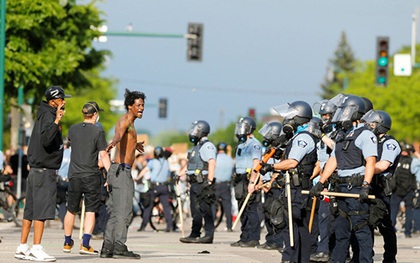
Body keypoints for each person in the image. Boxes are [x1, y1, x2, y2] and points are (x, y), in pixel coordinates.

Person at [310, 94, 377, 263]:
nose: (342, 115)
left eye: (345, 112)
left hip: (356, 188)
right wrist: (321, 182)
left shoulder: (366, 135)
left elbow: (371, 161)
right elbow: (333, 160)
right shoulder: (340, 135)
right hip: (341, 189)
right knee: (340, 231)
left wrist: (366, 185)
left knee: (361, 231)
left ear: (355, 113)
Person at [14, 85, 71, 262]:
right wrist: (57, 121)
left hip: (36, 170)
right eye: (62, 99)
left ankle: (22, 247)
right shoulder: (49, 115)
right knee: (41, 210)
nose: (64, 102)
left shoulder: (42, 113)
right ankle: (36, 248)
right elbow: (47, 140)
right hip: (44, 171)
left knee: (30, 210)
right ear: (54, 101)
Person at [261, 101, 318, 263]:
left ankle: (295, 257)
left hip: (299, 187)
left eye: (290, 117)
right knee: (297, 225)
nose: (287, 121)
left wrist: (271, 166)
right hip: (294, 186)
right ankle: (297, 258)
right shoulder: (296, 137)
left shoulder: (303, 138)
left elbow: (292, 162)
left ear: (299, 118)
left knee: (294, 223)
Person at [100, 89, 146, 260]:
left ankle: (107, 247)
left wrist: (135, 145)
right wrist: (114, 142)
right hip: (121, 171)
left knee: (115, 211)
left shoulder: (132, 124)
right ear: (129, 106)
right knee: (125, 212)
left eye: (142, 105)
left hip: (117, 171)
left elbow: (125, 138)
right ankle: (119, 246)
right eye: (138, 105)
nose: (141, 108)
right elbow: (119, 133)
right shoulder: (125, 120)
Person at [63, 101, 111, 255]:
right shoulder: (98, 132)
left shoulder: (73, 129)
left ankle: (67, 242)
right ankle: (85, 244)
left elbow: (71, 143)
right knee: (90, 210)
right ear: (95, 114)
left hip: (74, 175)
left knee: (71, 210)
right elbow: (103, 154)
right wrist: (110, 175)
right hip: (91, 175)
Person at [361, 109, 401, 263]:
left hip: (382, 189)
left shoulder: (390, 143)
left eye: (372, 124)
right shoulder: (371, 140)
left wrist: (366, 171)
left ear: (381, 125)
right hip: (368, 185)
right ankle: (366, 255)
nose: (369, 126)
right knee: (365, 223)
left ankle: (390, 258)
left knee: (385, 225)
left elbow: (384, 165)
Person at [179, 120, 217, 244]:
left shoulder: (207, 146)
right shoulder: (196, 146)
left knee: (205, 209)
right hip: (194, 183)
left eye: (195, 130)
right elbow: (191, 164)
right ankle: (195, 233)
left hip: (203, 182)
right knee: (195, 210)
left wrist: (209, 182)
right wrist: (180, 174)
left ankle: (209, 235)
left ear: (201, 131)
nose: (193, 132)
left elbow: (211, 162)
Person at [230, 116, 263, 248]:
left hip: (249, 178)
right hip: (239, 179)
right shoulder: (241, 145)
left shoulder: (254, 144)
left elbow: (256, 164)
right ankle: (244, 237)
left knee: (251, 209)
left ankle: (253, 238)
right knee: (242, 209)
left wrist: (252, 182)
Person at [257, 121, 286, 251]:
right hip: (267, 185)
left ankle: (278, 241)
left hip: (276, 186)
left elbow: (279, 169)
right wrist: (261, 182)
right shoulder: (270, 150)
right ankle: (270, 239)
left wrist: (270, 182)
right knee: (267, 213)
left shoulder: (282, 149)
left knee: (277, 214)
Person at [137, 146, 173, 232]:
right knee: (166, 207)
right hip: (164, 186)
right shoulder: (166, 162)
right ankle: (170, 226)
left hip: (155, 187)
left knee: (148, 206)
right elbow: (168, 174)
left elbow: (145, 170)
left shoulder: (153, 162)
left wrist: (138, 178)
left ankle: (143, 226)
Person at [390, 142, 420, 238]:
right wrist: (415, 152)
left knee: (393, 210)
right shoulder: (413, 161)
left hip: (396, 189)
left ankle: (391, 229)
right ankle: (407, 232)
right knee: (409, 211)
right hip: (409, 190)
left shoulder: (396, 160)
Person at [214, 142, 235, 232]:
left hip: (215, 184)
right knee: (227, 206)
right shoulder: (229, 159)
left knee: (213, 205)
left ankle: (211, 224)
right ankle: (229, 226)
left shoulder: (215, 158)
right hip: (226, 185)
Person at [57, 140, 71, 226]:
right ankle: (69, 221)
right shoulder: (73, 154)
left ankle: (63, 220)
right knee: (70, 201)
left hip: (61, 180)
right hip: (70, 180)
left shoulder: (60, 154)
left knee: (61, 202)